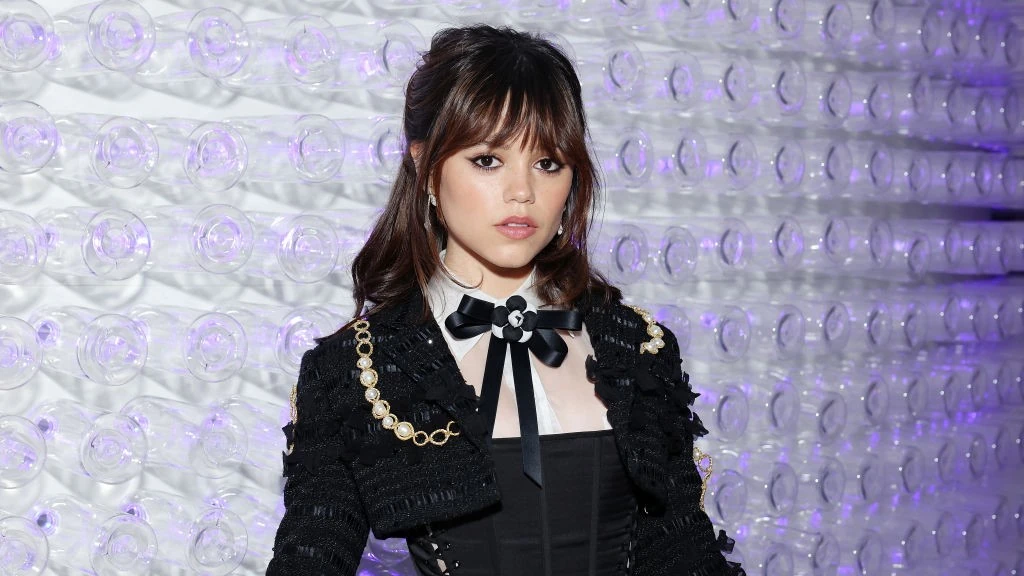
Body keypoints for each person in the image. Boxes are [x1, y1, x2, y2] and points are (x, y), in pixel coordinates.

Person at [266, 25, 744, 576]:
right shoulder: (355, 368)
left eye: (548, 163)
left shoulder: (639, 347)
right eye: (488, 160)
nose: (523, 192)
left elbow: (684, 551)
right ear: (425, 165)